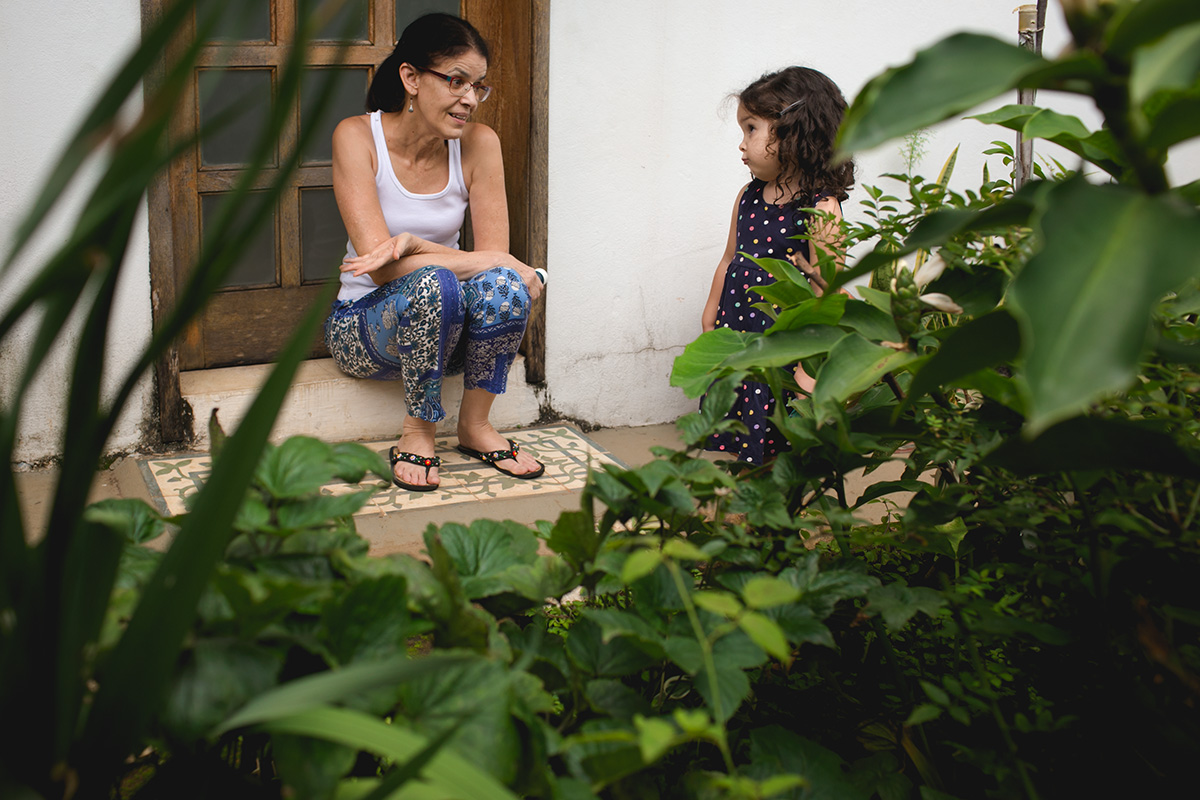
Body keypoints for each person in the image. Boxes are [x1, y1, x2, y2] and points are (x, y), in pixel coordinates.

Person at [324, 13, 544, 492]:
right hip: (365, 331)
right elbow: (384, 272)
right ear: (411, 79)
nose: (469, 98)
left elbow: (494, 263)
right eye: (456, 81)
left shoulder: (479, 144)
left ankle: (475, 426)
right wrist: (494, 261)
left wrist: (451, 254)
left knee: (503, 287)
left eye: (478, 86)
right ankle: (418, 431)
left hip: (452, 336)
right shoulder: (357, 138)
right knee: (435, 282)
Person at [700, 67, 855, 464]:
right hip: (740, 328)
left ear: (792, 130)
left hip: (785, 341)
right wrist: (711, 313)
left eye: (751, 128)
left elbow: (827, 291)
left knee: (778, 427)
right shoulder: (748, 196)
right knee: (742, 413)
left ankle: (776, 501)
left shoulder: (821, 208)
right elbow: (729, 258)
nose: (741, 143)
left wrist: (812, 365)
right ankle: (746, 484)